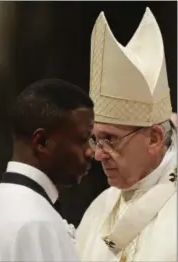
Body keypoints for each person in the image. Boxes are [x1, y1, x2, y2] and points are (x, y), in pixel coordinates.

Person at [76, 8, 177, 262]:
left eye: (109, 139)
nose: (98, 154)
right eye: (95, 139)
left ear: (154, 138)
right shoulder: (99, 210)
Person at [0, 78, 94, 261]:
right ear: (41, 142)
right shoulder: (36, 224)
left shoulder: (1, 201)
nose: (90, 152)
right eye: (83, 139)